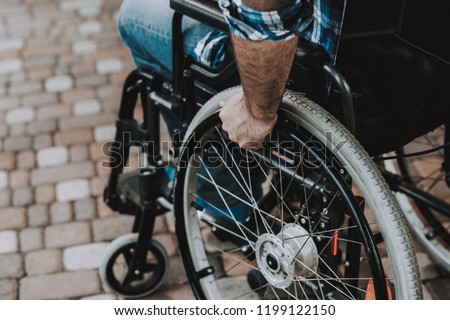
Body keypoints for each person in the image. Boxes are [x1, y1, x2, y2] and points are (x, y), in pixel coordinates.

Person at [117, 0, 346, 222]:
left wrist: (257, 113)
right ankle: (237, 172)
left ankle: (219, 194)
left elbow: (263, 9)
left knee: (133, 15)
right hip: (361, 90)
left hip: (303, 72)